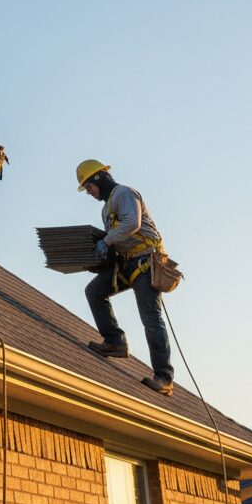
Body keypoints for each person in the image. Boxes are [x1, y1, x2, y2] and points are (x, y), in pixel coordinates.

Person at [76, 159, 174, 396]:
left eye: (88, 187)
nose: (89, 193)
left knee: (150, 317)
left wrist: (106, 241)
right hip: (126, 263)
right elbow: (116, 238)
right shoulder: (105, 209)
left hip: (145, 261)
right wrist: (100, 258)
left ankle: (163, 377)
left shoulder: (124, 194)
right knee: (94, 291)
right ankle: (115, 341)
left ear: (99, 178)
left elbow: (132, 223)